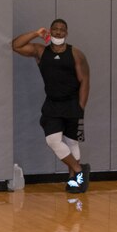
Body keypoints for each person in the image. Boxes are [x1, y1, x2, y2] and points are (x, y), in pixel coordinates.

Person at [11, 19, 91, 193]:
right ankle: (79, 170)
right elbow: (16, 45)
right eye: (55, 29)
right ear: (50, 31)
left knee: (71, 142)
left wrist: (81, 107)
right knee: (53, 140)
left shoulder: (76, 54)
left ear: (66, 33)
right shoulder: (41, 51)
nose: (58, 32)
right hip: (52, 104)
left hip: (72, 104)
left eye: (62, 30)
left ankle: (73, 181)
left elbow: (84, 80)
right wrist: (35, 33)